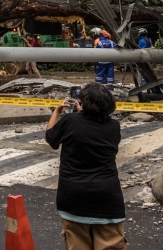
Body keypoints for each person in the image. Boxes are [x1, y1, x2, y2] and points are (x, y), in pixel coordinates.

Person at [45, 83, 126, 250]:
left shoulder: (70, 121)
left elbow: (50, 138)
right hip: (107, 199)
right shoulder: (114, 127)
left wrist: (57, 111)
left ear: (82, 103)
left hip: (73, 197)